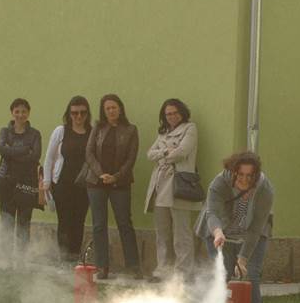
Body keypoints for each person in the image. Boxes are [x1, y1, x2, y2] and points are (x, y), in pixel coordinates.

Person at [196, 151, 274, 303]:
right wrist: (217, 232)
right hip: (219, 232)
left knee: (251, 277)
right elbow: (212, 213)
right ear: (232, 172)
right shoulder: (219, 183)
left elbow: (256, 228)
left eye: (250, 176)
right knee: (222, 277)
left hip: (252, 235)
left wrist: (243, 258)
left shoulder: (264, 189)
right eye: (240, 175)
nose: (245, 180)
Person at [85, 94, 141, 279]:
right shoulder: (98, 127)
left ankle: (133, 266)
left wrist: (115, 177)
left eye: (114, 107)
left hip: (120, 183)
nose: (111, 111)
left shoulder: (131, 130)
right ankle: (102, 266)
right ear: (103, 111)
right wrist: (101, 174)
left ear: (120, 108)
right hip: (96, 182)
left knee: (124, 223)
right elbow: (89, 153)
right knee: (99, 224)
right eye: (107, 108)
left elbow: (131, 159)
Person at [145, 98, 201, 280]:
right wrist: (165, 151)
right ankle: (163, 270)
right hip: (159, 186)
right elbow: (149, 154)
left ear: (182, 112)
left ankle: (183, 273)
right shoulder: (163, 133)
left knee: (181, 233)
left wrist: (164, 155)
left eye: (175, 113)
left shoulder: (190, 128)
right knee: (162, 233)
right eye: (168, 114)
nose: (172, 116)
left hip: (179, 186)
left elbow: (182, 152)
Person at [43, 95, 92, 265]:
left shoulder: (92, 132)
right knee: (64, 221)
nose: (79, 116)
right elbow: (49, 158)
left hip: (83, 185)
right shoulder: (61, 131)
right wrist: (47, 182)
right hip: (62, 184)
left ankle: (74, 258)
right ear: (69, 114)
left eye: (83, 113)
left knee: (79, 222)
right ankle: (63, 259)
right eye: (75, 113)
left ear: (87, 114)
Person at [0, 98, 42, 267]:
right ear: (12, 113)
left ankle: (21, 260)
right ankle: (7, 261)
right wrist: (24, 150)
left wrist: (12, 152)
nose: (20, 115)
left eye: (23, 111)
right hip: (6, 181)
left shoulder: (35, 134)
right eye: (17, 111)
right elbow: (1, 149)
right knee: (7, 222)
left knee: (24, 222)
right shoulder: (4, 132)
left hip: (27, 183)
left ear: (28, 113)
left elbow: (35, 156)